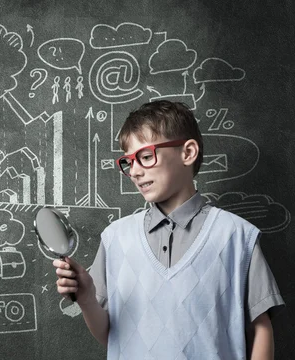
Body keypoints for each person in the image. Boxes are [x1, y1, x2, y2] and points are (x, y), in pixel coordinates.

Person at [53, 100, 284, 359]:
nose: (136, 172)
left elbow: (261, 330)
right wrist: (86, 299)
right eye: (129, 162)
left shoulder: (237, 236)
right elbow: (111, 335)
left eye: (146, 156)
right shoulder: (115, 238)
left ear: (188, 152)